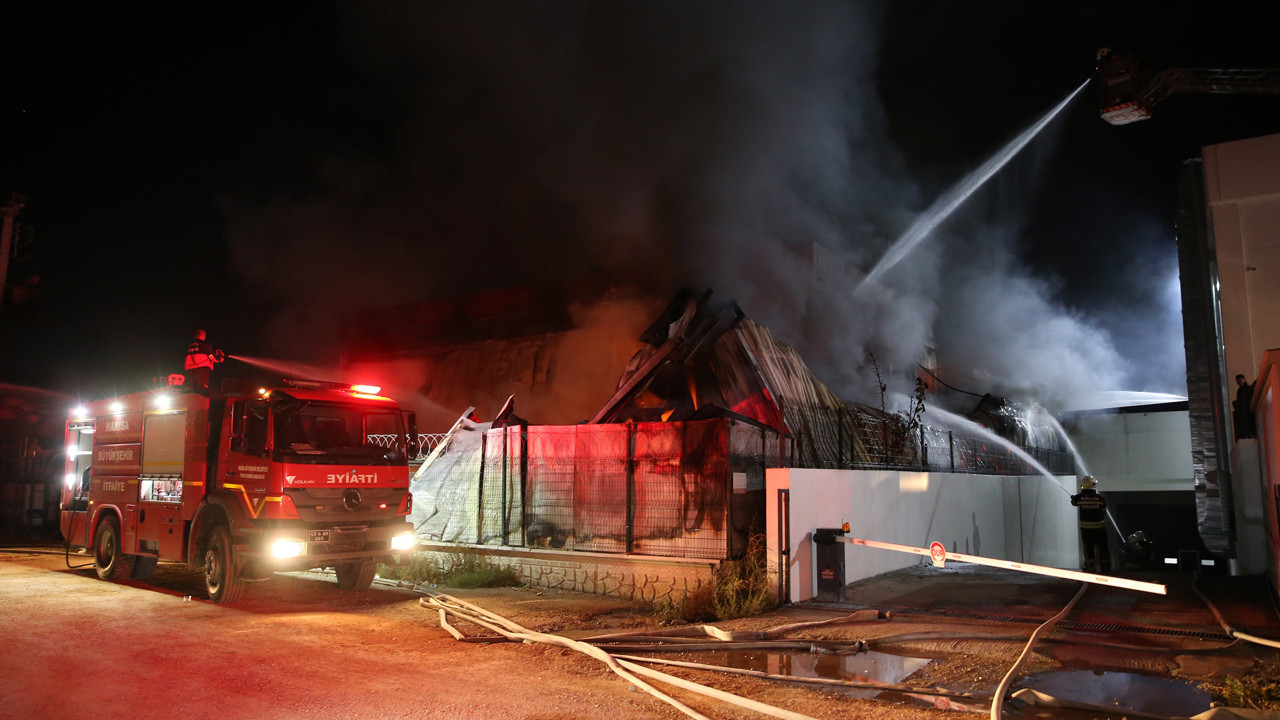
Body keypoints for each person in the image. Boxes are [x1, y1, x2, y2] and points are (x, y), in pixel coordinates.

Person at [1071, 475, 1109, 572]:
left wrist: (1073, 498)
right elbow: (1104, 512)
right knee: (1103, 546)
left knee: (1088, 547)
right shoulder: (1100, 499)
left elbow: (1074, 503)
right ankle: (1105, 566)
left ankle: (1090, 565)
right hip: (1100, 528)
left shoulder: (1079, 498)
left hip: (1086, 529)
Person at [1235, 374, 1256, 439]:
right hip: (1244, 413)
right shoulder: (1239, 392)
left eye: (1240, 380)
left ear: (1244, 380)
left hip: (1248, 412)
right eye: (1238, 381)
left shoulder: (1248, 389)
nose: (1239, 382)